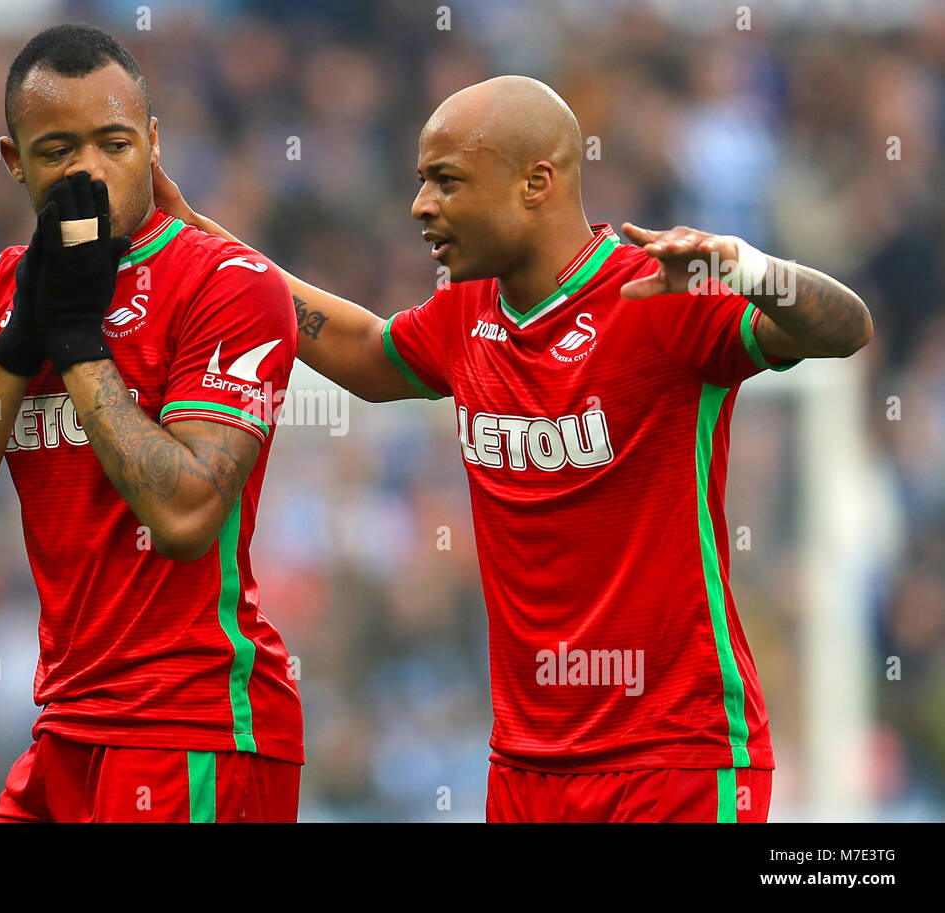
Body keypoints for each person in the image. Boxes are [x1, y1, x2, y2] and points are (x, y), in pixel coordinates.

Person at [153, 75, 873, 822]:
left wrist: (742, 268)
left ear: (537, 182)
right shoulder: (466, 311)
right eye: (421, 180)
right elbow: (365, 352)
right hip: (527, 767)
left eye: (447, 181)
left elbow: (846, 329)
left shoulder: (658, 297)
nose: (420, 205)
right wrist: (213, 247)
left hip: (673, 759)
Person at [0, 24, 303, 822]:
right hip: (64, 727)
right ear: (14, 161)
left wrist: (79, 345)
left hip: (197, 728)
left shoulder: (227, 285)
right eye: (57, 151)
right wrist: (18, 347)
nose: (88, 171)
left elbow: (186, 512)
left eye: (114, 143)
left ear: (152, 143)